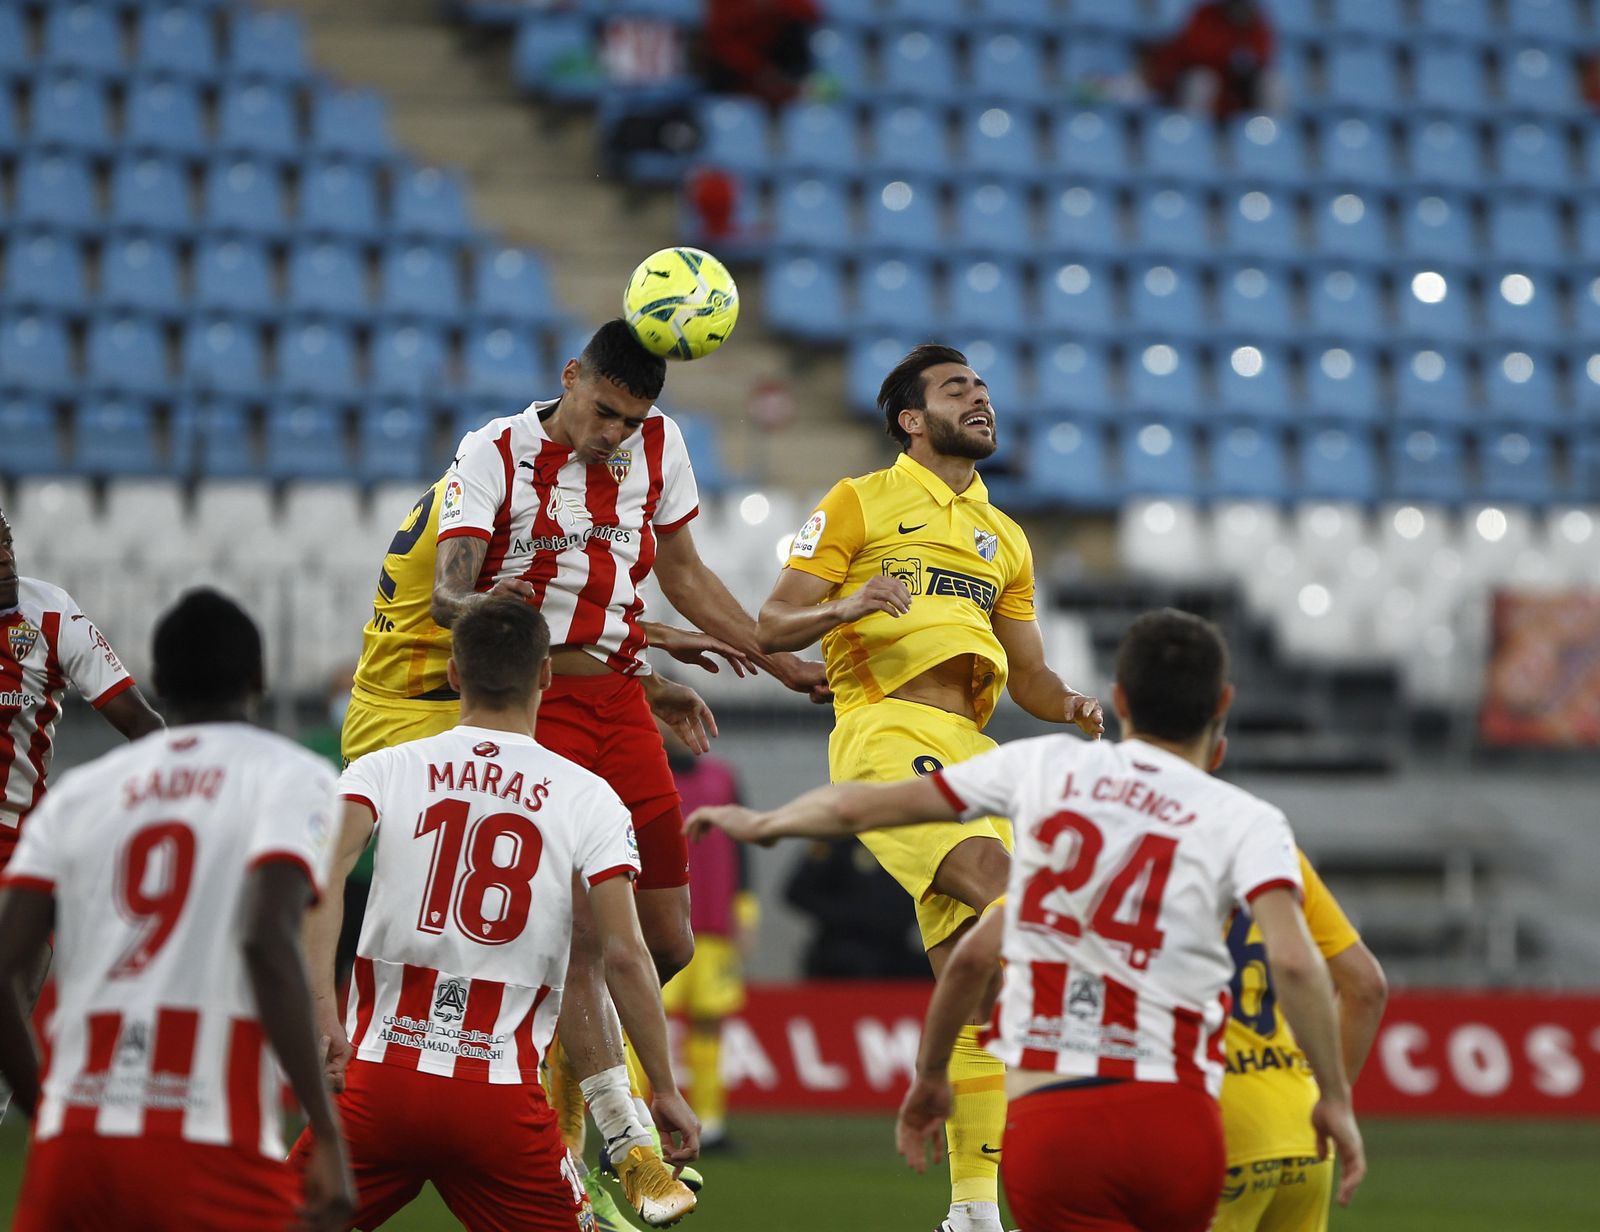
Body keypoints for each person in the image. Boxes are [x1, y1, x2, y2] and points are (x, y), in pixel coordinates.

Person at [345, 318, 824, 1223]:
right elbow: (457, 599)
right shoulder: (492, 452)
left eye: (629, 420)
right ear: (570, 377)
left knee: (665, 942)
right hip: (492, 701)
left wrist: (730, 659)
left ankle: (551, 1096)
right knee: (570, 938)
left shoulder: (656, 444)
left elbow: (672, 573)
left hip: (596, 695)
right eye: (602, 412)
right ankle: (612, 1142)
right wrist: (530, 617)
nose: (613, 435)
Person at [690, 609, 1367, 1232]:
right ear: (1222, 706)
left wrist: (765, 824)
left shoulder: (1049, 768)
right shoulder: (1247, 821)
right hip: (1177, 1114)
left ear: (1121, 699)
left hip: (1058, 1116)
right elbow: (1299, 962)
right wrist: (1333, 1097)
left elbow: (860, 811)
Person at [756, 342, 1103, 1232]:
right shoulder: (857, 500)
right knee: (1012, 899)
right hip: (885, 730)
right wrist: (842, 607)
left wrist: (1067, 703)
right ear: (912, 419)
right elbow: (771, 624)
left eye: (984, 387)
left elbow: (1026, 671)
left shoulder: (1006, 535)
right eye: (958, 389)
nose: (980, 399)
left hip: (974, 747)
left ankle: (973, 1211)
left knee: (982, 981)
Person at [291, 600, 698, 1229]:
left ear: (454, 674)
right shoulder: (591, 798)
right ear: (545, 677)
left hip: (375, 1085)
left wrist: (321, 1010)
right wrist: (665, 1089)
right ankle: (628, 1138)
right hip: (497, 1095)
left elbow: (321, 879)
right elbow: (624, 952)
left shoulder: (381, 769)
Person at [0, 587, 353, 1231]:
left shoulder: (80, 793)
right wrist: (324, 1131)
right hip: (208, 1132)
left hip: (75, 1143)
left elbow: (2, 969)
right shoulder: (291, 775)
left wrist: (44, 1107)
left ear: (157, 681)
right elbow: (266, 940)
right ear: (259, 679)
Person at [0, 504, 165, 1122]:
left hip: (18, 860)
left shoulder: (50, 612)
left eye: (6, 541)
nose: (4, 558)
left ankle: (48, 1128)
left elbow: (143, 726)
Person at [1216, 853, 1387, 1232]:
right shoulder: (1273, 850)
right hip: (1303, 1130)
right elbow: (1366, 986)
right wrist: (1333, 1098)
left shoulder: (1144, 846)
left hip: (1214, 1125)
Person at [659, 730, 753, 1152]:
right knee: (648, 1021)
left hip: (714, 927)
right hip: (658, 926)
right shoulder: (645, 774)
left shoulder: (723, 777)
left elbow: (743, 849)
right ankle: (641, 1122)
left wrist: (746, 913)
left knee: (710, 1022)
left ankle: (712, 1124)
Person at [1144, 0, 1280, 117]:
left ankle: (1270, 138)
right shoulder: (1204, 15)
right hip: (1202, 87)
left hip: (1240, 95)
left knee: (1272, 83)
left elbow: (1263, 57)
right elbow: (1193, 52)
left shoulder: (1257, 22)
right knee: (1202, 80)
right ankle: (1192, 135)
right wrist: (1227, 56)